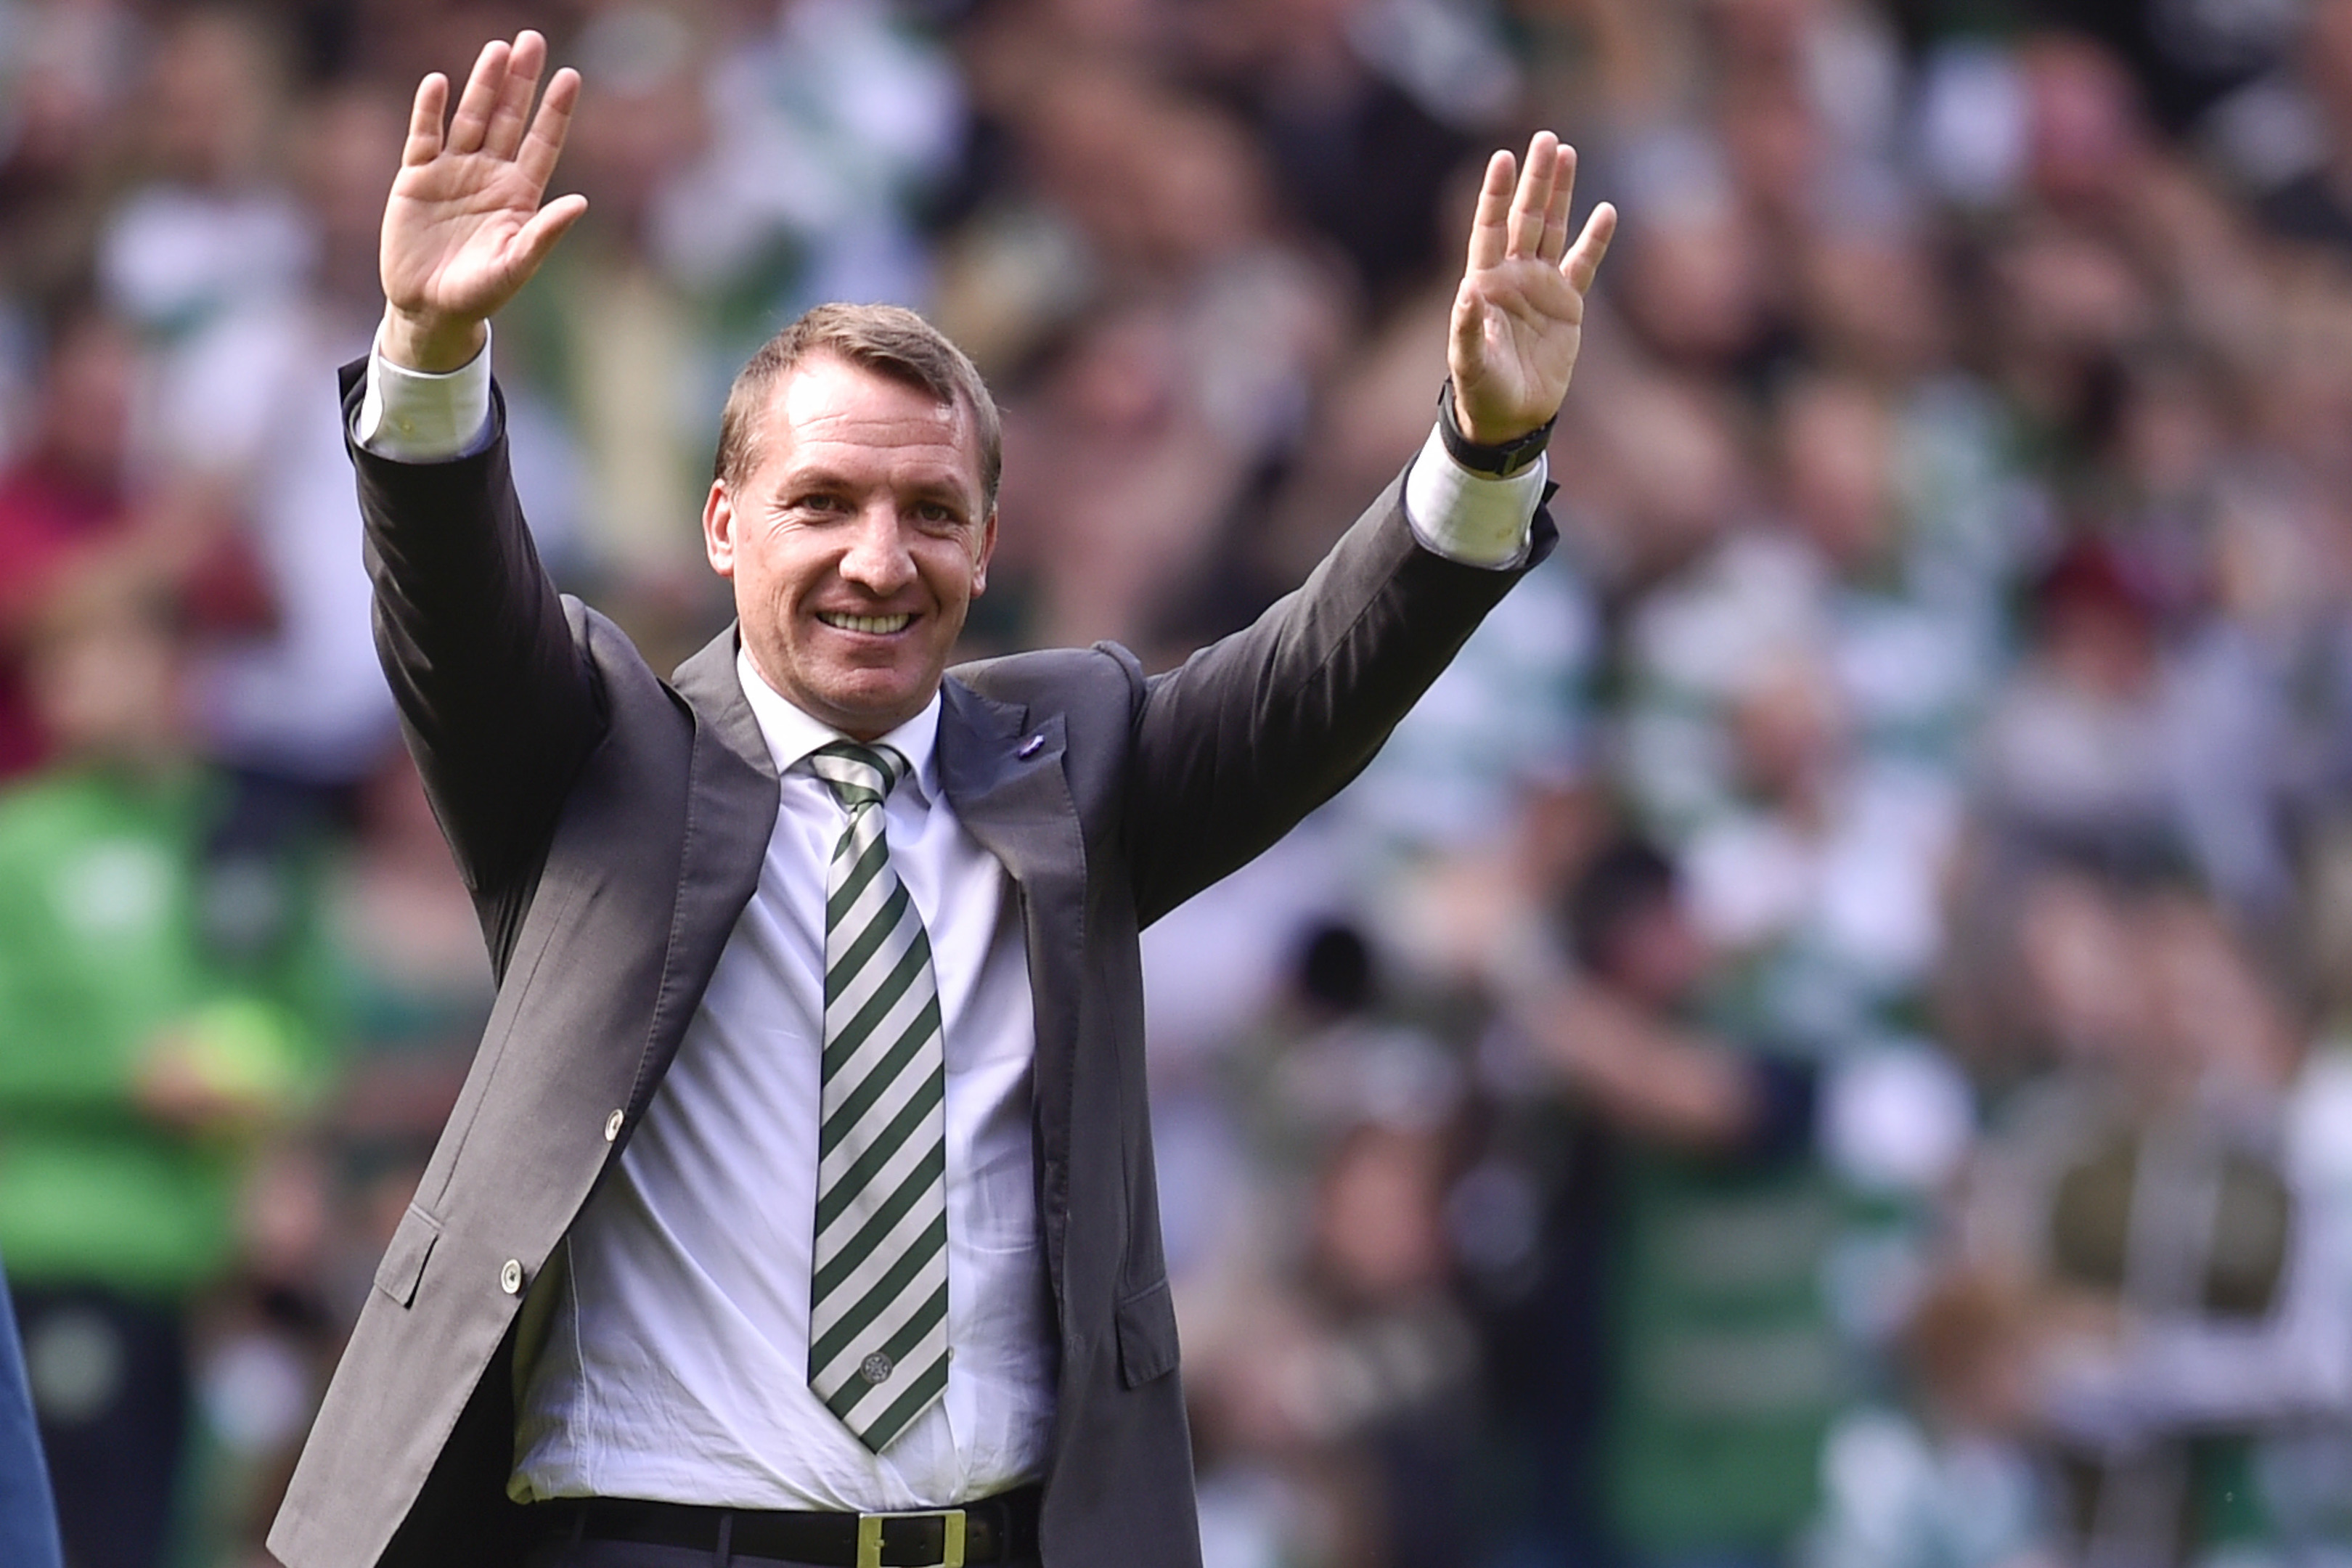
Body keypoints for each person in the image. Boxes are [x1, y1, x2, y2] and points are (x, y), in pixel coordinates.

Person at [269, 29, 1615, 1568]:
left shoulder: (1079, 761)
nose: (875, 558)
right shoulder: (593, 752)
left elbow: (1320, 679)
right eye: (821, 504)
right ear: (724, 525)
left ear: (988, 544)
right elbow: (449, 595)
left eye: (929, 513)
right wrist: (432, 354)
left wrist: (1486, 448)